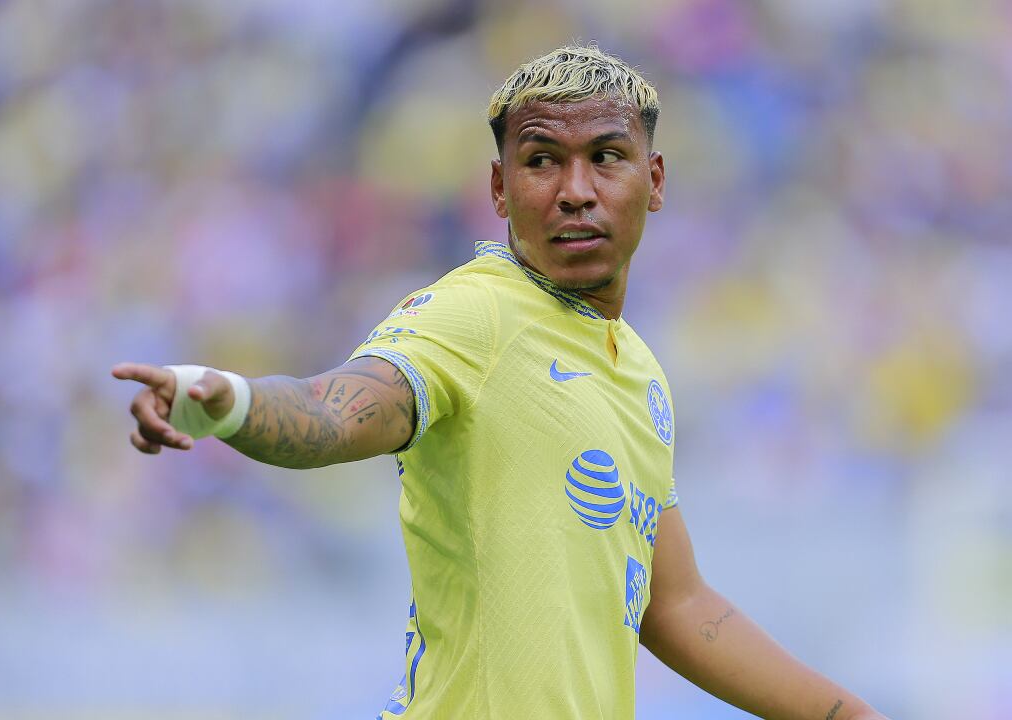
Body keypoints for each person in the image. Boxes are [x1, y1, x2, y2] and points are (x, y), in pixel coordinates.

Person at [114, 45, 888, 720]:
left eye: (606, 157)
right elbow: (332, 410)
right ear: (498, 188)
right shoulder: (474, 315)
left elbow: (674, 602)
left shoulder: (639, 369)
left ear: (653, 179)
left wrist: (842, 713)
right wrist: (230, 401)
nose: (575, 190)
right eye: (542, 159)